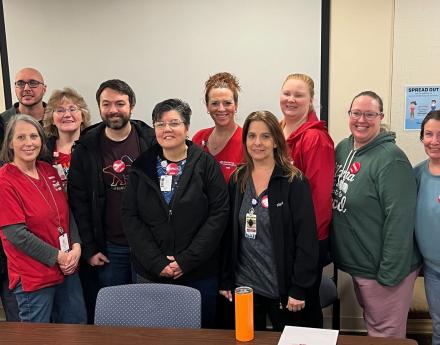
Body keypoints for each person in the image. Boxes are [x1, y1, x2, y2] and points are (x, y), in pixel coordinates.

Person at [122, 99, 229, 328]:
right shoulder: (141, 166)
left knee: (200, 335)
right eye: (160, 124)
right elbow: (130, 216)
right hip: (152, 271)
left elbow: (218, 215)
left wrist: (185, 260)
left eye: (174, 123)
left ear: (187, 127)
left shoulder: (206, 164)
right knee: (153, 334)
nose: (167, 129)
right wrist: (157, 262)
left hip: (198, 272)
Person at [332, 91, 421, 338]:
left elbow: (400, 220)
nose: (362, 120)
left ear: (380, 117)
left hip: (384, 270)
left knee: (385, 337)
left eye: (370, 114)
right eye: (356, 113)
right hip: (361, 265)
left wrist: (390, 273)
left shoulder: (391, 160)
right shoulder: (343, 148)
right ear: (349, 115)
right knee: (374, 328)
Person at [220, 110, 318, 331]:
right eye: (251, 136)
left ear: (276, 140)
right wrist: (225, 279)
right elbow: (229, 233)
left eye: (265, 136)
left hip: (282, 291)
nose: (258, 143)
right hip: (245, 288)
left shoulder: (293, 181)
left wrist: (299, 288)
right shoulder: (238, 179)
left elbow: (307, 240)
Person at [68, 79, 156, 323]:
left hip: (147, 246)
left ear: (132, 106)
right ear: (99, 107)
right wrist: (89, 248)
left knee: (148, 313)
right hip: (109, 250)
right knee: (114, 316)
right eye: (106, 104)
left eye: (120, 103)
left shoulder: (151, 140)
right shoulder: (86, 147)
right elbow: (79, 202)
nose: (113, 110)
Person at [0, 115, 86, 323]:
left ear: (41, 139)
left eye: (33, 136)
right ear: (10, 143)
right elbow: (16, 235)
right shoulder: (4, 181)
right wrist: (59, 256)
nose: (29, 143)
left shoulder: (48, 170)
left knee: (76, 329)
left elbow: (66, 214)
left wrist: (76, 247)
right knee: (37, 337)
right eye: (21, 137)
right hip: (34, 276)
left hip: (67, 268)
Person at [279, 73, 334, 328]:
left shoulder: (315, 139)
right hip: (284, 237)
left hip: (307, 241)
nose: (291, 100)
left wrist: (308, 247)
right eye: (287, 93)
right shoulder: (278, 129)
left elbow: (320, 201)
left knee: (304, 309)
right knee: (288, 312)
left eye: (298, 95)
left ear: (311, 101)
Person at [414, 110, 440, 345]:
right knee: (439, 324)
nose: (434, 141)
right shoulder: (417, 174)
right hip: (432, 269)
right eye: (429, 134)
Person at [192, 72, 243, 181]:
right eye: (215, 103)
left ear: (236, 105)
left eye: (227, 103)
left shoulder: (247, 141)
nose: (221, 109)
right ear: (207, 106)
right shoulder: (198, 138)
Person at [43, 87, 92, 189]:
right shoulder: (43, 151)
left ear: (83, 116)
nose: (67, 115)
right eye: (60, 110)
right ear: (51, 119)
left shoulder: (94, 146)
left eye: (72, 109)